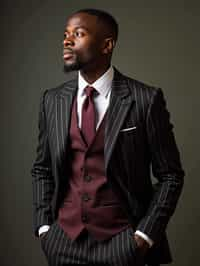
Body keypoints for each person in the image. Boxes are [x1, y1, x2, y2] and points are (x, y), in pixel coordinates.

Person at [31, 8, 185, 266]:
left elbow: (171, 175)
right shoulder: (52, 100)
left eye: (78, 34)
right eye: (66, 34)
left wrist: (144, 236)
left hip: (123, 245)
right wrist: (45, 228)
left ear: (107, 45)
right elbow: (42, 168)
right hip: (63, 244)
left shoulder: (145, 100)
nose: (66, 40)